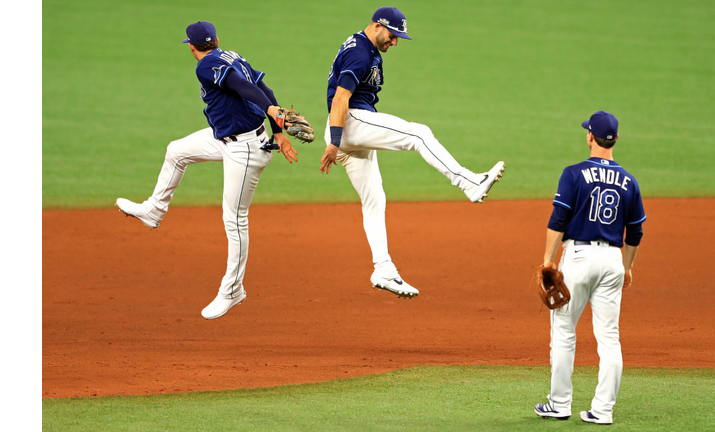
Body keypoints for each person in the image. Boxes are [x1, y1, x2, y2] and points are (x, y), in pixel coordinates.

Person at [116, 21, 305, 320]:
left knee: (235, 220)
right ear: (216, 40)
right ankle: (153, 210)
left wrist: (273, 114)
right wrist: (278, 129)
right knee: (176, 151)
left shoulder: (205, 66)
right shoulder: (232, 55)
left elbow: (243, 87)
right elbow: (263, 87)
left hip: (245, 149)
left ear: (191, 47)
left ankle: (233, 290)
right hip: (225, 138)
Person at [320, 6, 506, 299]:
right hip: (347, 123)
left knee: (374, 201)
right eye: (392, 36)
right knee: (419, 134)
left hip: (347, 128)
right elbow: (341, 98)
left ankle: (383, 269)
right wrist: (334, 140)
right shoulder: (360, 53)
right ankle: (469, 182)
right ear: (377, 26)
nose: (394, 42)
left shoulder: (365, 46)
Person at [533, 111, 646, 425]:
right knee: (609, 338)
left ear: (590, 137)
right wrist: (628, 267)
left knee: (564, 331)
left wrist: (548, 258)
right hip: (612, 262)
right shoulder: (629, 181)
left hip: (579, 257)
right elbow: (636, 232)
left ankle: (559, 404)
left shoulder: (573, 174)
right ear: (616, 139)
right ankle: (603, 410)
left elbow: (559, 219)